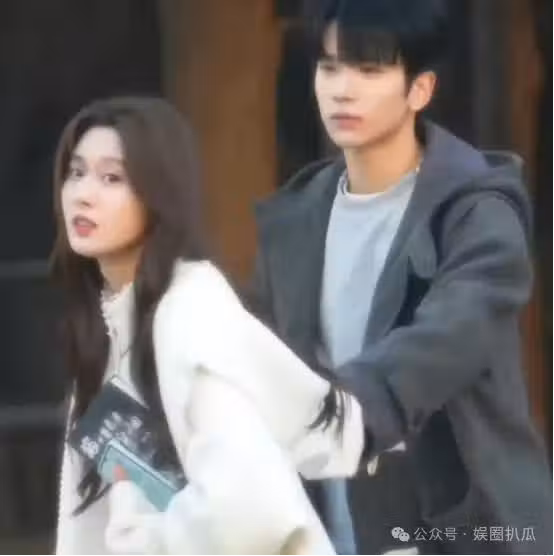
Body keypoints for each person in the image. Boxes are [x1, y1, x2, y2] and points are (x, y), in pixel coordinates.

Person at [249, 0, 554, 554]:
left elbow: (448, 336)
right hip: (332, 531)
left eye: (369, 70)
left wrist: (343, 411)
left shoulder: (477, 213)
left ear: (420, 89)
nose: (342, 90)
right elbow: (259, 364)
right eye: (329, 67)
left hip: (465, 532)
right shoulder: (295, 222)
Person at [52, 96, 364, 556]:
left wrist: (142, 545)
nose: (83, 193)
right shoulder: (113, 325)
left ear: (159, 194)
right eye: (76, 172)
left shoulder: (189, 315)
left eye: (112, 178)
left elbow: (250, 510)